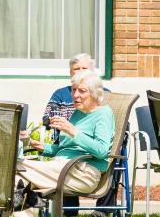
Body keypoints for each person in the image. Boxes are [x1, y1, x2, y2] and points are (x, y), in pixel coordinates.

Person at [18, 70, 116, 198]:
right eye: (74, 90)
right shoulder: (77, 113)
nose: (75, 95)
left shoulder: (103, 114)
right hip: (60, 167)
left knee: (14, 165)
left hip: (82, 173)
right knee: (17, 183)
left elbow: (102, 150)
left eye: (82, 91)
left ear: (95, 93)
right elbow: (63, 149)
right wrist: (33, 143)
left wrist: (73, 131)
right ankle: (30, 209)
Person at [42, 52, 96, 125]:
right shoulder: (60, 94)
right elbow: (47, 120)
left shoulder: (102, 93)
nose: (81, 71)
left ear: (92, 71)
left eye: (84, 68)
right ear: (70, 72)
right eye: (77, 68)